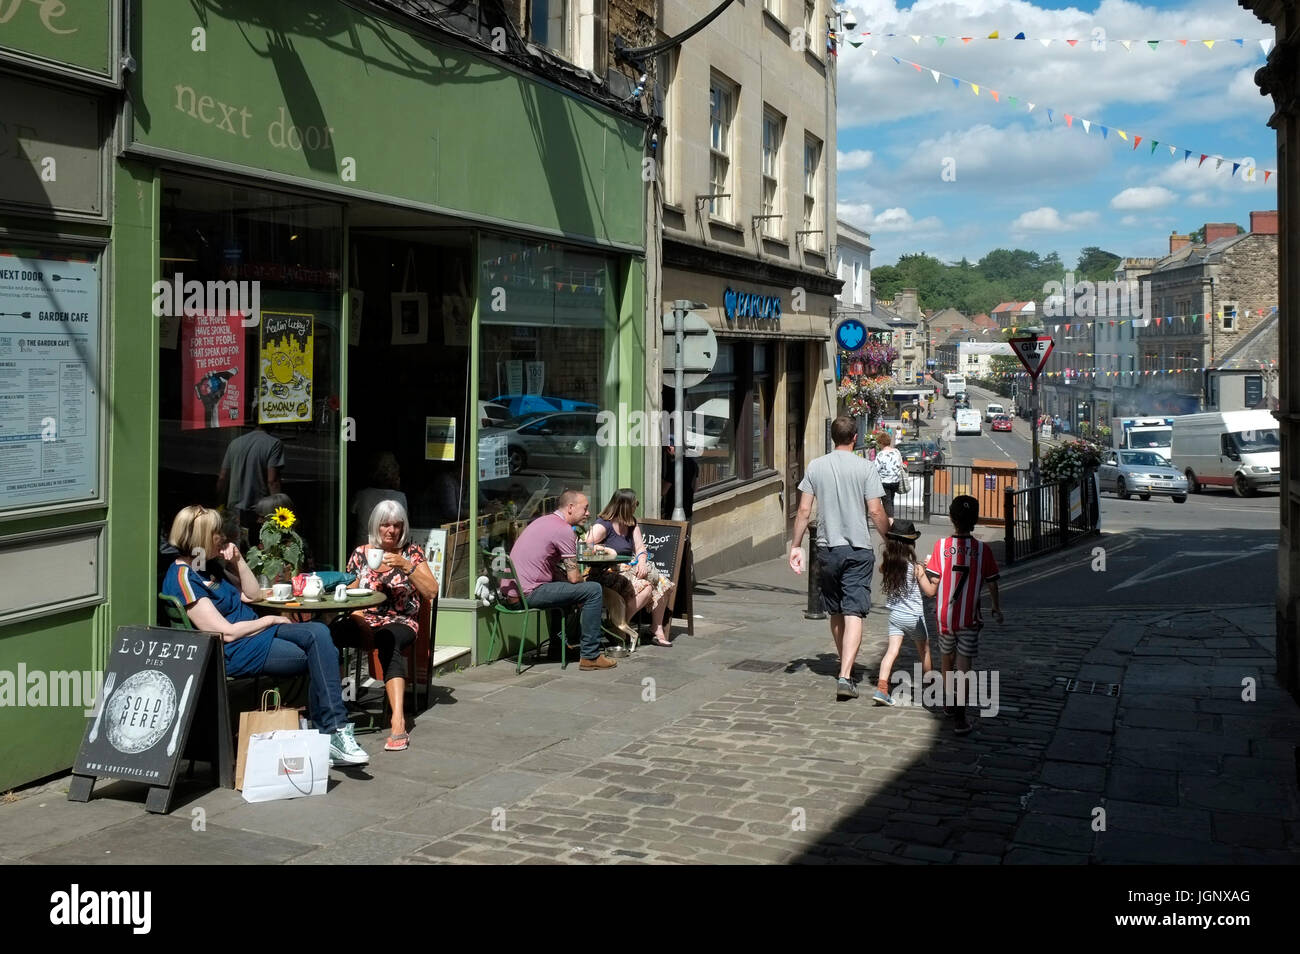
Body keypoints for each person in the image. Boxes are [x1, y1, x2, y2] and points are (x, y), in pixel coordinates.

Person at [160, 505, 369, 766]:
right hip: (236, 650)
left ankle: (331, 732)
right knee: (322, 653)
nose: (222, 538)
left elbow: (254, 594)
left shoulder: (208, 566)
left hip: (257, 634)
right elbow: (225, 633)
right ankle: (332, 732)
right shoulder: (183, 577)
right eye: (216, 533)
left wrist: (237, 560)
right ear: (200, 537)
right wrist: (269, 618)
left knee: (319, 631)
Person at [789, 415, 891, 700]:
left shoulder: (816, 466)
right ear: (855, 437)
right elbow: (875, 511)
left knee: (835, 610)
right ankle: (846, 674)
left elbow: (804, 512)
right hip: (858, 549)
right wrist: (889, 540)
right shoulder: (866, 468)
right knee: (854, 611)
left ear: (834, 437)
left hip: (826, 548)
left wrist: (796, 545)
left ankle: (843, 663)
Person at [335, 499, 438, 751]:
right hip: (364, 618)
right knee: (330, 633)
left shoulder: (411, 553)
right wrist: (358, 619)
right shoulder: (361, 553)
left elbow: (432, 592)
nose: (391, 531)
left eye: (396, 525)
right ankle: (334, 706)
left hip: (400, 620)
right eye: (385, 525)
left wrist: (407, 567)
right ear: (375, 526)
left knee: (387, 639)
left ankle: (398, 721)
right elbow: (348, 593)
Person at [505, 490, 617, 670]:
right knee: (594, 590)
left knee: (564, 589)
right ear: (571, 508)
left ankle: (557, 648)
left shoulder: (542, 521)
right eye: (585, 508)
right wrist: (582, 589)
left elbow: (554, 571)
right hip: (527, 594)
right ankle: (591, 655)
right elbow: (574, 578)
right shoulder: (563, 529)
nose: (588, 513)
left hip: (512, 593)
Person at [924, 496, 1003, 735]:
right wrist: (996, 607)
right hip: (969, 617)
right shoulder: (983, 550)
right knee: (964, 665)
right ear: (975, 520)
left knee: (946, 659)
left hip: (945, 617)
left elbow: (935, 581)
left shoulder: (940, 546)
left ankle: (948, 702)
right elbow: (992, 583)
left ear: (950, 517)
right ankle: (961, 713)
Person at [584, 488, 676, 648]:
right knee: (646, 588)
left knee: (663, 583)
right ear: (624, 506)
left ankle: (656, 628)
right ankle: (619, 626)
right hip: (607, 572)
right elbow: (586, 544)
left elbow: (640, 548)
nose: (636, 506)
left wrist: (641, 562)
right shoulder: (605, 524)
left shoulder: (631, 523)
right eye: (634, 504)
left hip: (628, 569)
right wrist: (605, 551)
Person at [874, 520, 938, 706]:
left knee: (891, 652)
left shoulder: (888, 565)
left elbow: (886, 568)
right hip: (914, 618)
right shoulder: (916, 569)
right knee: (924, 651)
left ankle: (882, 689)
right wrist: (934, 579)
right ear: (911, 544)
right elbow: (930, 592)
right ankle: (930, 686)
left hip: (895, 617)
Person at [216, 424, 284, 544]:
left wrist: (219, 505)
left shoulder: (235, 443)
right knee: (258, 550)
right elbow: (272, 481)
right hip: (259, 511)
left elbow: (222, 478)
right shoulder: (274, 443)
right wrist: (280, 513)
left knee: (234, 549)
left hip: (234, 510)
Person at [351, 451, 408, 541]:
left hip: (363, 545)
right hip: (389, 550)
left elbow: (352, 524)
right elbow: (403, 526)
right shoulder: (400, 497)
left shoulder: (361, 495)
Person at [660, 441, 698, 520]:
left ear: (671, 448)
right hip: (687, 510)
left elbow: (663, 491)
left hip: (672, 512)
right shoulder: (693, 464)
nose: (666, 453)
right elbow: (695, 488)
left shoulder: (674, 465)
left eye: (666, 449)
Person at [874, 432, 905, 517]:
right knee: (891, 501)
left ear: (881, 443)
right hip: (896, 481)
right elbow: (900, 464)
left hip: (885, 482)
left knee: (887, 503)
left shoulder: (880, 454)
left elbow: (875, 469)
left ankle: (891, 523)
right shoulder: (896, 451)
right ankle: (890, 520)